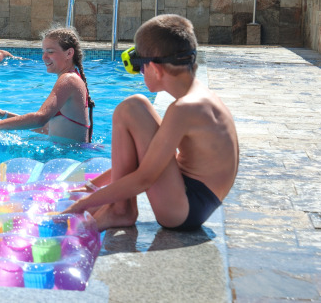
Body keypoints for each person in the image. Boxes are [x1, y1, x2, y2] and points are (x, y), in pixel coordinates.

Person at [63, 15, 239, 232]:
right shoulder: (200, 98)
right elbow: (154, 158)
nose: (140, 73)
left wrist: (82, 204)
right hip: (197, 200)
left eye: (139, 66)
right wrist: (92, 186)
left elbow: (145, 178)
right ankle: (118, 207)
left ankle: (120, 210)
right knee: (136, 105)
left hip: (183, 210)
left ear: (155, 69)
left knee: (131, 108)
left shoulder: (184, 109)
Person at [0, 27, 94, 143]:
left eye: (50, 52)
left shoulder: (68, 79)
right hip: (71, 151)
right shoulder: (73, 78)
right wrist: (4, 115)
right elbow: (47, 128)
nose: (44, 57)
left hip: (69, 154)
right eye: (43, 52)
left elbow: (40, 118)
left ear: (69, 53)